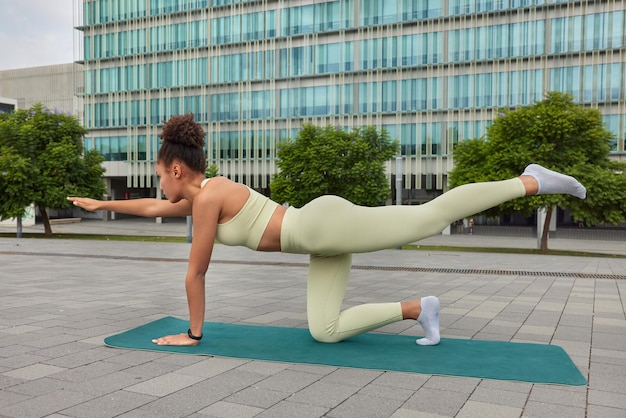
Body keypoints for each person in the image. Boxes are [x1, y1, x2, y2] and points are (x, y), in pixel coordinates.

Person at [68, 114, 587, 347]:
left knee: (429, 217)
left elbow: (196, 273)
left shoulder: (208, 202)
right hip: (319, 245)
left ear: (176, 170)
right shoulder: (204, 197)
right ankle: (418, 310)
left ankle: (529, 181)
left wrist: (194, 333)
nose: (159, 186)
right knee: (325, 330)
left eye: (159, 175)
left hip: (320, 224)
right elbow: (155, 211)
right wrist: (98, 201)